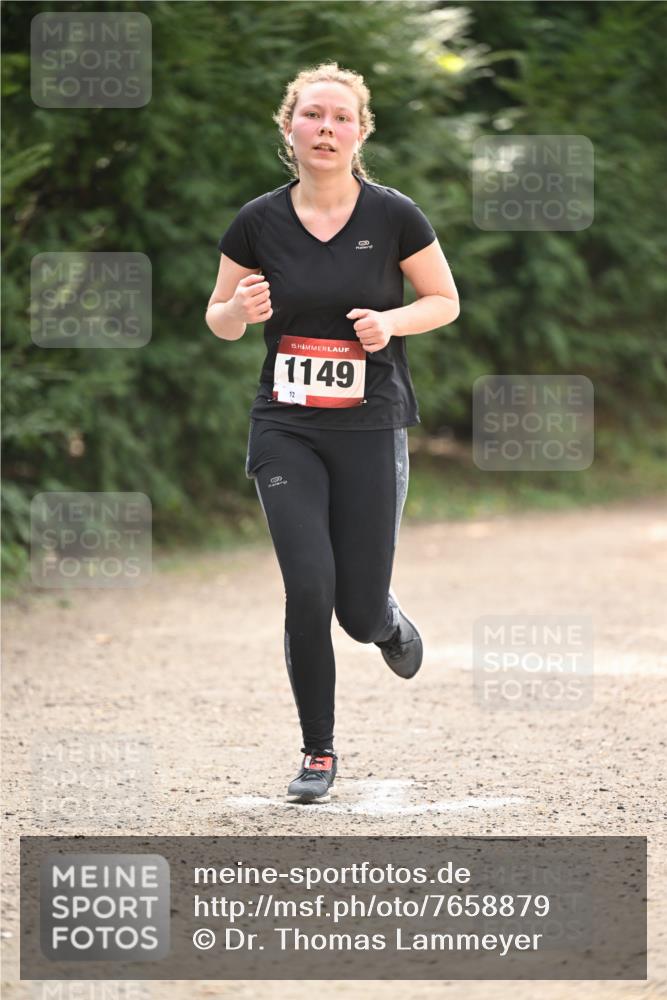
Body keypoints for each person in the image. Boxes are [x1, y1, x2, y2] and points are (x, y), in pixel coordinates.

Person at [206, 62, 459, 802]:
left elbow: (442, 300)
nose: (325, 128)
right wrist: (240, 313)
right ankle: (318, 752)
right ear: (290, 128)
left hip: (370, 424)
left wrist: (391, 322)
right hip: (285, 425)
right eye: (312, 115)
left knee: (352, 609)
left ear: (360, 132)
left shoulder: (393, 216)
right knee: (307, 587)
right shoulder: (257, 221)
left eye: (340, 118)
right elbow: (218, 318)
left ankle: (382, 619)